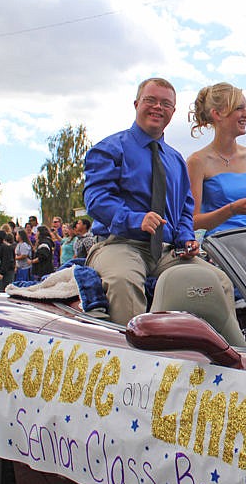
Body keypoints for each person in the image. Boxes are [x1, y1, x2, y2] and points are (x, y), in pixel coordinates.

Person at [84, 77, 225, 325]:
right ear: (137, 103)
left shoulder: (176, 160)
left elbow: (184, 208)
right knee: (122, 281)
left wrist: (186, 238)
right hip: (119, 244)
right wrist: (135, 219)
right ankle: (131, 360)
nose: (158, 107)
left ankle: (231, 356)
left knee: (219, 281)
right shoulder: (108, 149)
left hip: (165, 251)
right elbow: (95, 200)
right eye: (151, 100)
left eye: (165, 103)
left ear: (173, 111)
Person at [187, 82, 246, 236]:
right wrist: (232, 209)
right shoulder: (197, 162)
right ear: (217, 114)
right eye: (239, 108)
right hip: (220, 248)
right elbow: (192, 221)